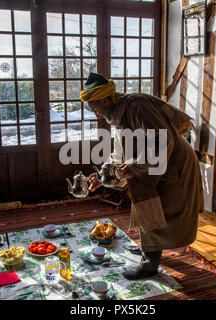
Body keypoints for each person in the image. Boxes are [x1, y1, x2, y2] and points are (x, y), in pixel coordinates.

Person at [80, 72, 204, 280]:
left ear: (104, 99)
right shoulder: (117, 113)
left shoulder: (137, 107)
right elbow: (119, 153)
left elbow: (163, 142)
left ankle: (149, 265)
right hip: (155, 163)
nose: (96, 114)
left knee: (158, 208)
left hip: (174, 163)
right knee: (148, 206)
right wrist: (102, 176)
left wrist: (135, 165)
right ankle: (151, 248)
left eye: (96, 109)